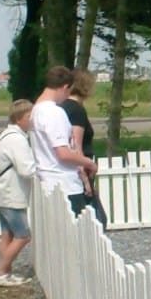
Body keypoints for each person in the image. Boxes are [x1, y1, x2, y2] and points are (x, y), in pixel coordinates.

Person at [30, 66, 99, 220]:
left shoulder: (36, 110)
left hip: (47, 179)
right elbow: (64, 153)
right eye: (68, 91)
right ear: (65, 87)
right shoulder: (54, 112)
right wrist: (89, 163)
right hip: (65, 183)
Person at [0, 99, 37, 287]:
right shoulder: (16, 140)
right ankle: (0, 272)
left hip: (2, 193)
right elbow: (26, 169)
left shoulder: (5, 135)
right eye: (29, 117)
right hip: (11, 195)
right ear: (18, 118)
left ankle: (6, 272)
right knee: (23, 235)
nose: (32, 121)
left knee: (7, 235)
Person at [59, 68, 107, 230]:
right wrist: (85, 180)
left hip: (68, 170)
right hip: (81, 169)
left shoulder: (63, 107)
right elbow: (76, 146)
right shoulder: (76, 110)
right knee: (98, 220)